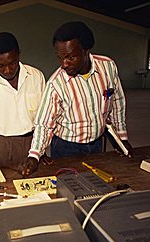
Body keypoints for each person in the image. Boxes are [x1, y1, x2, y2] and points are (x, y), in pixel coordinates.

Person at [22, 21, 133, 177]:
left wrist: (121, 138)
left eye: (70, 57)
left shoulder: (108, 67)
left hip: (97, 142)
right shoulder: (56, 84)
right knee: (69, 187)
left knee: (96, 184)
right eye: (60, 58)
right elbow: (44, 124)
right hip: (66, 147)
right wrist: (34, 155)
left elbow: (117, 103)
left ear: (86, 50)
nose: (64, 64)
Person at [0, 32, 46, 172]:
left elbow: (44, 119)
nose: (7, 70)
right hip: (4, 147)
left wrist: (39, 151)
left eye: (12, 63)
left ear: (18, 55)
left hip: (33, 143)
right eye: (0, 66)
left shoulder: (36, 77)